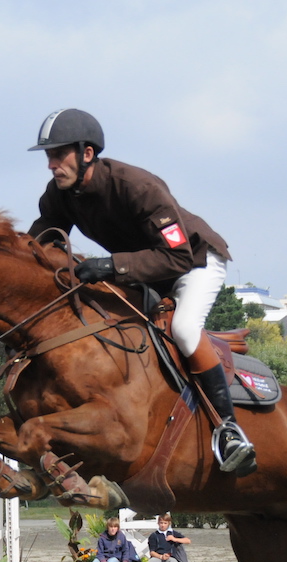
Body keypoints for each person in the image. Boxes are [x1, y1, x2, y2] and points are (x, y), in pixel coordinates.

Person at [26, 108, 255, 476]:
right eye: (49, 156)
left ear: (87, 153)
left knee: (182, 329)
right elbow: (38, 243)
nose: (51, 164)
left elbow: (176, 255)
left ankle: (229, 431)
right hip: (144, 272)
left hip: (193, 262)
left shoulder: (137, 186)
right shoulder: (61, 193)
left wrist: (110, 266)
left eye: (58, 154)